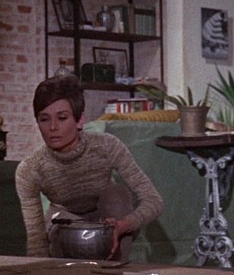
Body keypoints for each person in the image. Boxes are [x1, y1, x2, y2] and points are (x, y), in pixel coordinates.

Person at [15, 75, 164, 260]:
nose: (53, 127)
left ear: (80, 120)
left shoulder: (107, 146)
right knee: (62, 235)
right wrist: (39, 271)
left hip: (107, 223)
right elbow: (36, 240)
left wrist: (123, 225)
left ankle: (113, 270)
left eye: (62, 118)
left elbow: (154, 201)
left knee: (116, 194)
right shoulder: (30, 170)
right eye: (44, 119)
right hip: (64, 228)